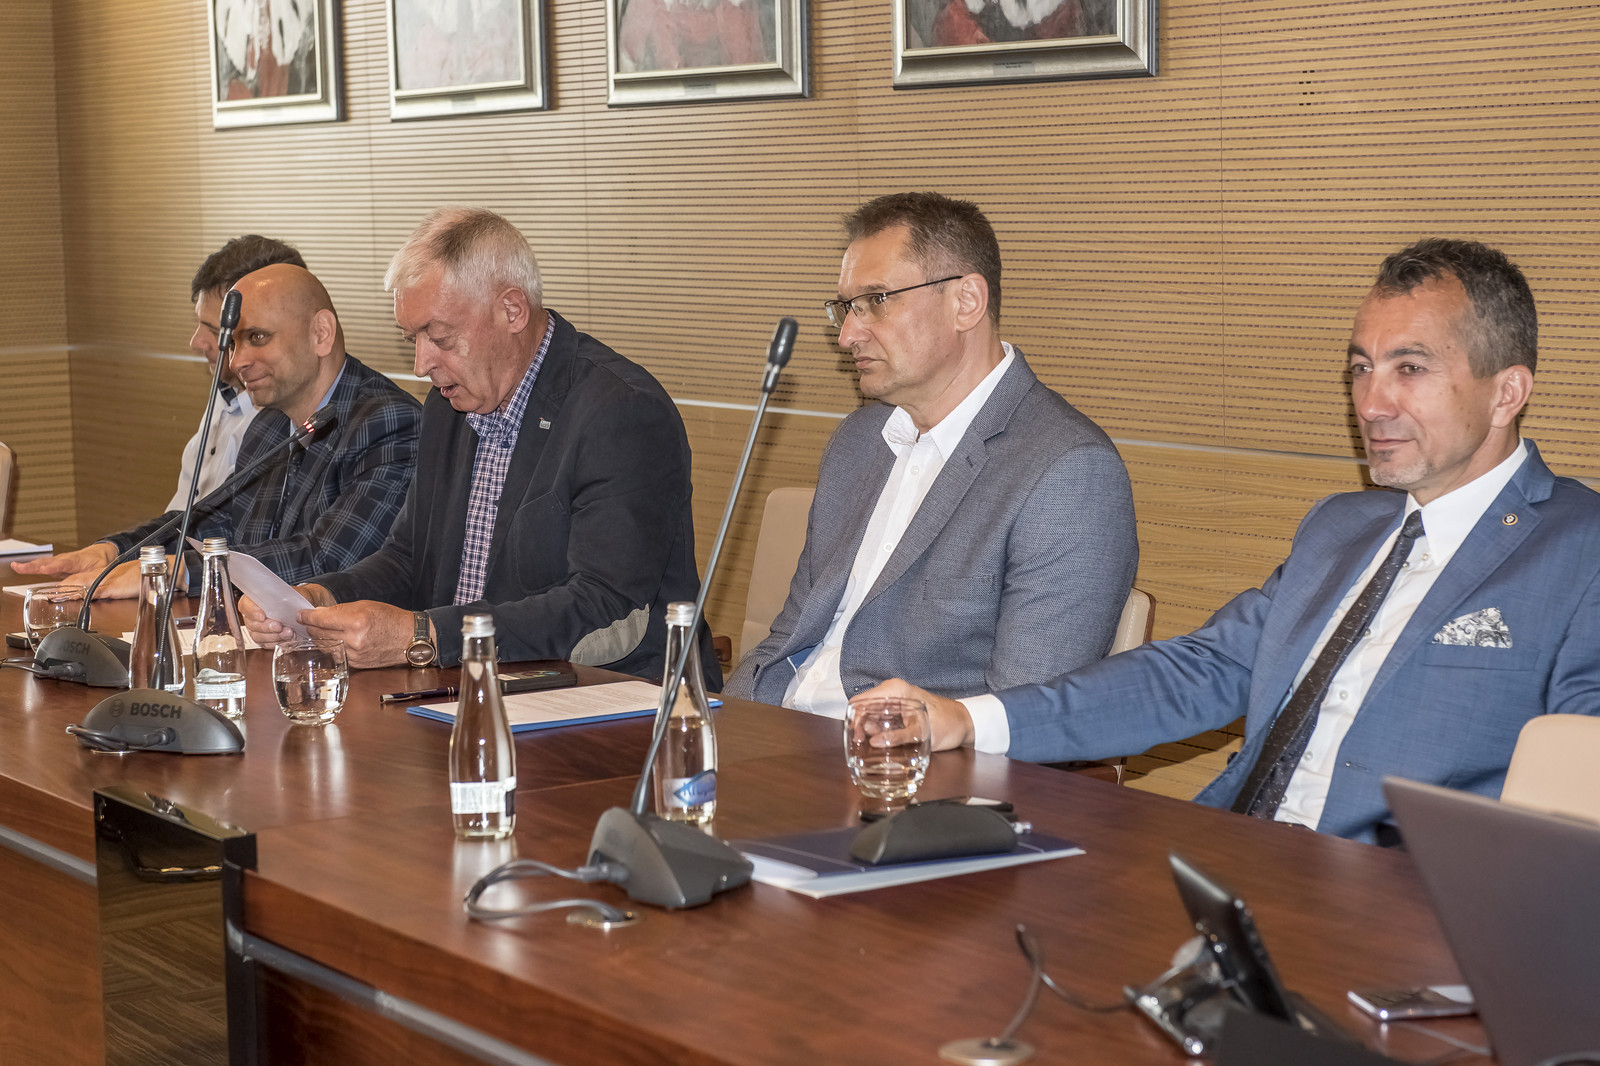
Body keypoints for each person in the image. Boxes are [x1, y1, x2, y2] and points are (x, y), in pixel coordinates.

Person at [861, 238, 1600, 845]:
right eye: (1361, 368)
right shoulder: (1342, 528)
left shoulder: (1578, 551)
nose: (1373, 402)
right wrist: (969, 718)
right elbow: (1199, 672)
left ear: (1507, 392)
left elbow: (1572, 808)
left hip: (1404, 911)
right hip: (1230, 855)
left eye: (1410, 368)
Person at [240, 207, 717, 685]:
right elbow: (408, 559)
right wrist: (319, 599)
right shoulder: (448, 406)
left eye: (439, 337)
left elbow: (606, 608)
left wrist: (424, 635)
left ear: (512, 311)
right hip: (464, 685)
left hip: (612, 697)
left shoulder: (620, 411)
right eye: (413, 339)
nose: (422, 364)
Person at [725, 191, 1137, 729]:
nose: (847, 335)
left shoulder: (1067, 472)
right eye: (846, 307)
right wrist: (711, 725)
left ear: (966, 302)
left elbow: (1028, 717)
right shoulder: (860, 439)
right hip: (774, 733)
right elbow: (789, 639)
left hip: (901, 761)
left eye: (876, 300)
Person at [16, 263, 421, 596]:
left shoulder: (390, 423)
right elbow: (210, 522)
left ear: (321, 334)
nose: (238, 361)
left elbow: (329, 559)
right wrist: (116, 552)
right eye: (233, 343)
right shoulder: (269, 425)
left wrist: (178, 572)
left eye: (257, 337)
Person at [166, 235, 305, 511]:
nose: (196, 342)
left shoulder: (287, 417)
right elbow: (183, 514)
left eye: (215, 331)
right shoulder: (226, 387)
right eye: (199, 323)